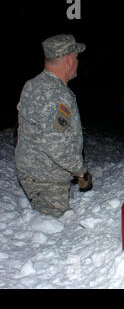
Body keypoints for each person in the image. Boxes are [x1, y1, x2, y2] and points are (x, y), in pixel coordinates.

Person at [15, 34, 92, 218]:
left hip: (32, 171)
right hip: (46, 180)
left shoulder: (33, 85)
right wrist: (81, 171)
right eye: (77, 57)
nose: (77, 62)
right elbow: (56, 143)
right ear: (68, 60)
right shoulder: (56, 94)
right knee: (55, 232)